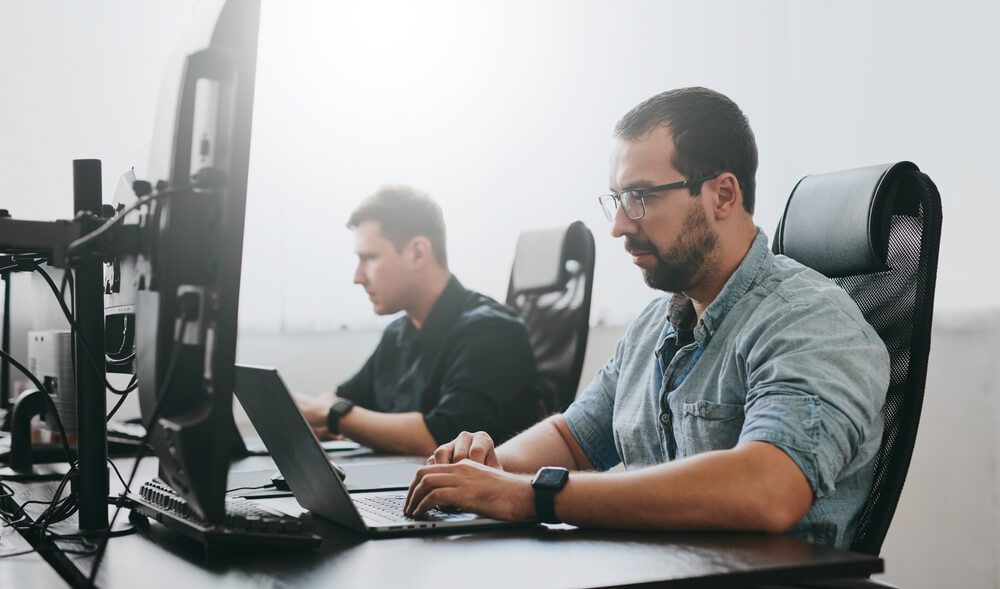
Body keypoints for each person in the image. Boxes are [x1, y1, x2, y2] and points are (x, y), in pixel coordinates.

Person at [403, 87, 889, 549]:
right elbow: (573, 439)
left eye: (639, 197)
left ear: (722, 195)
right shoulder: (656, 324)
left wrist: (533, 495)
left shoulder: (809, 320)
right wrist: (486, 469)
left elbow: (767, 489)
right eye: (616, 199)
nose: (618, 226)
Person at [294, 186, 539, 456]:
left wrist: (334, 415)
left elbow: (442, 437)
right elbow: (344, 401)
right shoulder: (397, 333)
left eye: (370, 258)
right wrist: (327, 415)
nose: (358, 277)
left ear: (418, 253)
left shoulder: (492, 331)